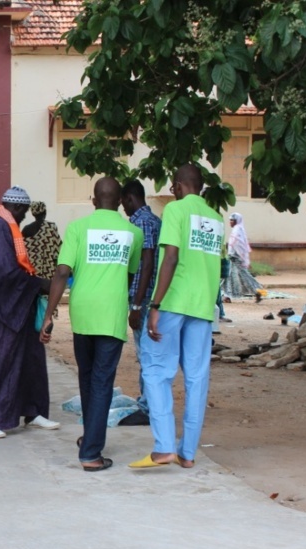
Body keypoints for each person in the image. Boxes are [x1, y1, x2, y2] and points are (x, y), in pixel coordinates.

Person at [40, 177, 143, 471]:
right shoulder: (132, 233)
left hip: (82, 312)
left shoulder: (77, 228)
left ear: (94, 200)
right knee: (101, 382)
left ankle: (90, 437)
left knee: (87, 378)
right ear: (121, 200)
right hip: (110, 314)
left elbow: (61, 273)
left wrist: (49, 315)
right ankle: (91, 454)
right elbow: (129, 274)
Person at [130, 165, 223, 469]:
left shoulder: (176, 211)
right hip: (202, 306)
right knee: (197, 378)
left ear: (180, 186)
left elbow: (170, 256)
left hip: (173, 302)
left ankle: (164, 447)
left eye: (174, 187)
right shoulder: (217, 218)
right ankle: (188, 453)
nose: (173, 191)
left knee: (156, 370)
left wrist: (155, 305)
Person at [0, 186, 58, 439]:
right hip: (0, 311)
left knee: (31, 360)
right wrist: (36, 283)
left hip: (15, 306)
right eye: (24, 212)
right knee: (1, 363)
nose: (24, 217)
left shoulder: (7, 226)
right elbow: (1, 273)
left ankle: (32, 410)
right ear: (16, 208)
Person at [122, 179, 162, 416]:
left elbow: (146, 263)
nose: (123, 209)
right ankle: (147, 401)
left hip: (144, 299)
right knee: (150, 353)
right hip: (149, 297)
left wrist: (136, 305)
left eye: (123, 203)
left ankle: (148, 407)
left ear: (129, 198)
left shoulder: (143, 223)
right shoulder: (155, 220)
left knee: (146, 354)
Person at [222, 212, 264, 301]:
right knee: (231, 276)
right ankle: (227, 295)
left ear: (237, 221)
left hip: (235, 257)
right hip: (234, 256)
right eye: (230, 220)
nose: (230, 222)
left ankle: (258, 290)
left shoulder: (237, 230)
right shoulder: (239, 229)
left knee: (236, 275)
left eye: (232, 220)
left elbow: (238, 245)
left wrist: (242, 257)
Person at [22, 201, 62, 280]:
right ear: (45, 212)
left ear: (33, 214)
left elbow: (23, 252)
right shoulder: (51, 227)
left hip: (31, 272)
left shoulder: (26, 229)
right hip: (48, 272)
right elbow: (58, 250)